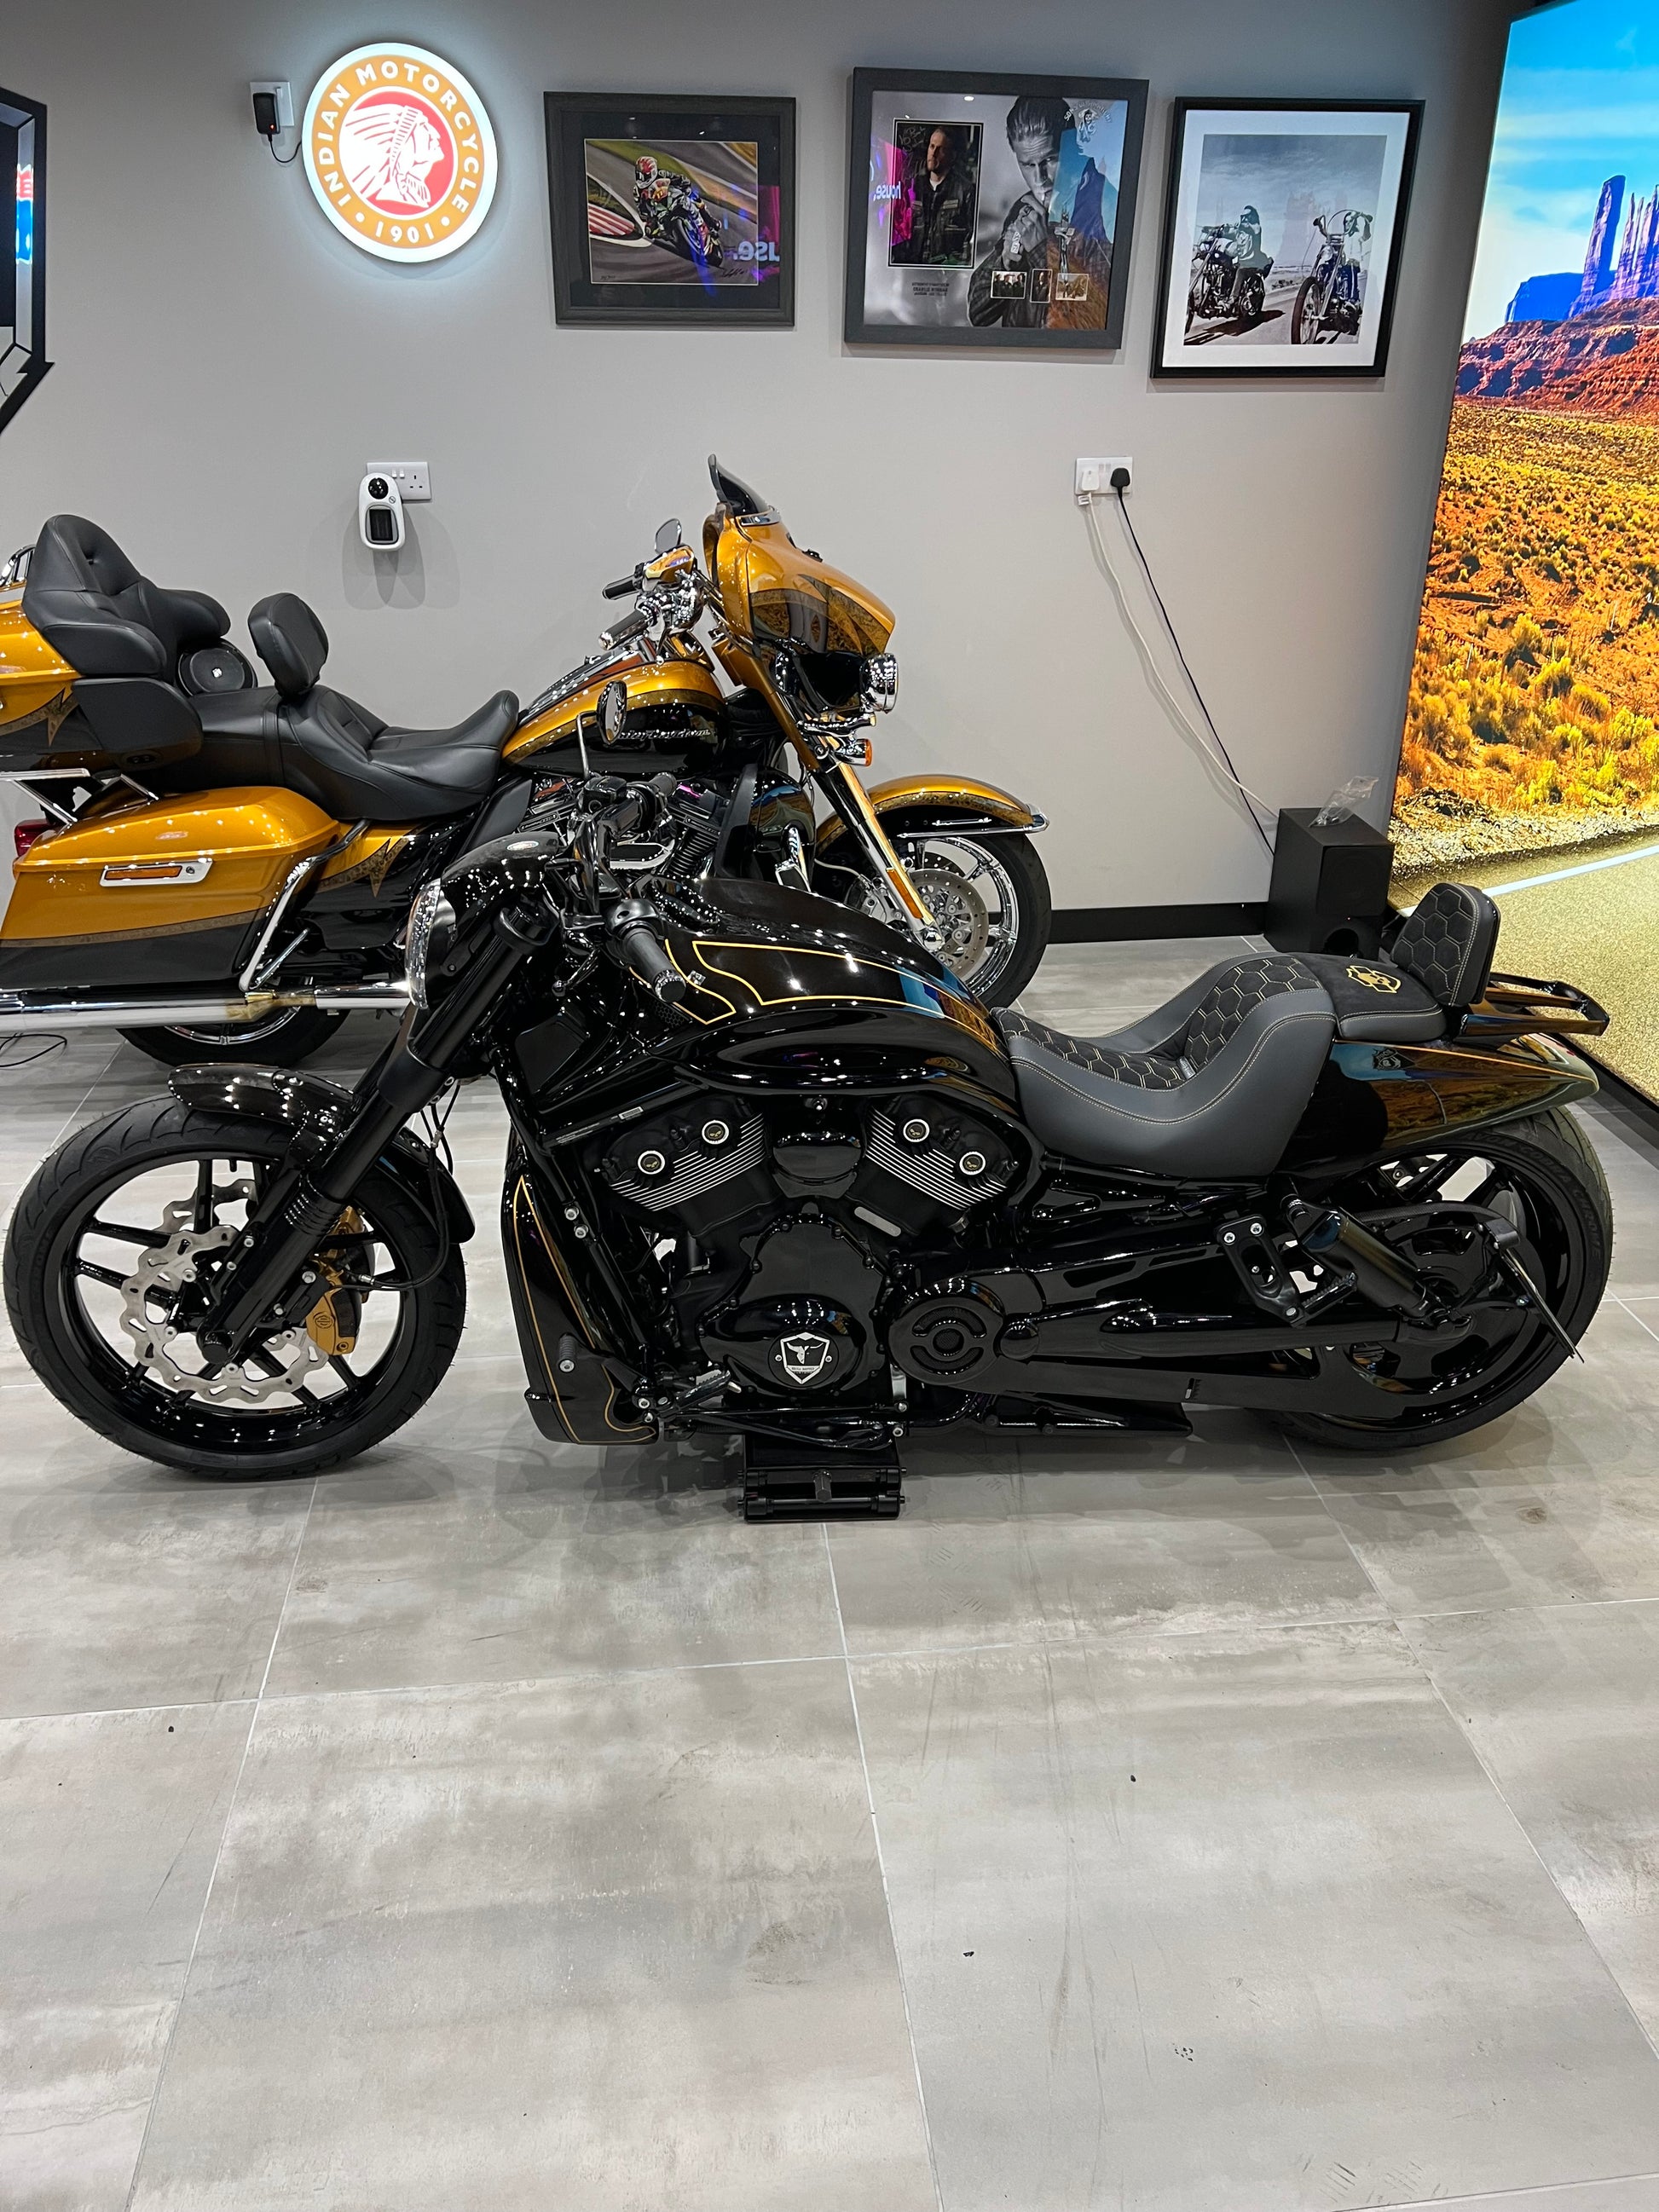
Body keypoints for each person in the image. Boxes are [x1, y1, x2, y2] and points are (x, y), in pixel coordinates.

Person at [968, 94, 1111, 330]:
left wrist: (1039, 252)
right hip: (1016, 353)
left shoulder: (1105, 208)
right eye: (1028, 164)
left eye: (1049, 160)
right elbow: (978, 313)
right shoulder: (1026, 208)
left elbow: (1088, 319)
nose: (1039, 179)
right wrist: (1007, 265)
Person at [892, 124, 976, 266]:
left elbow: (969, 240)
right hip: (912, 269)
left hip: (947, 272)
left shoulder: (965, 191)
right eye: (932, 146)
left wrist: (955, 268)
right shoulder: (912, 187)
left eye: (940, 149)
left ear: (952, 155)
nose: (933, 153)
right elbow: (899, 233)